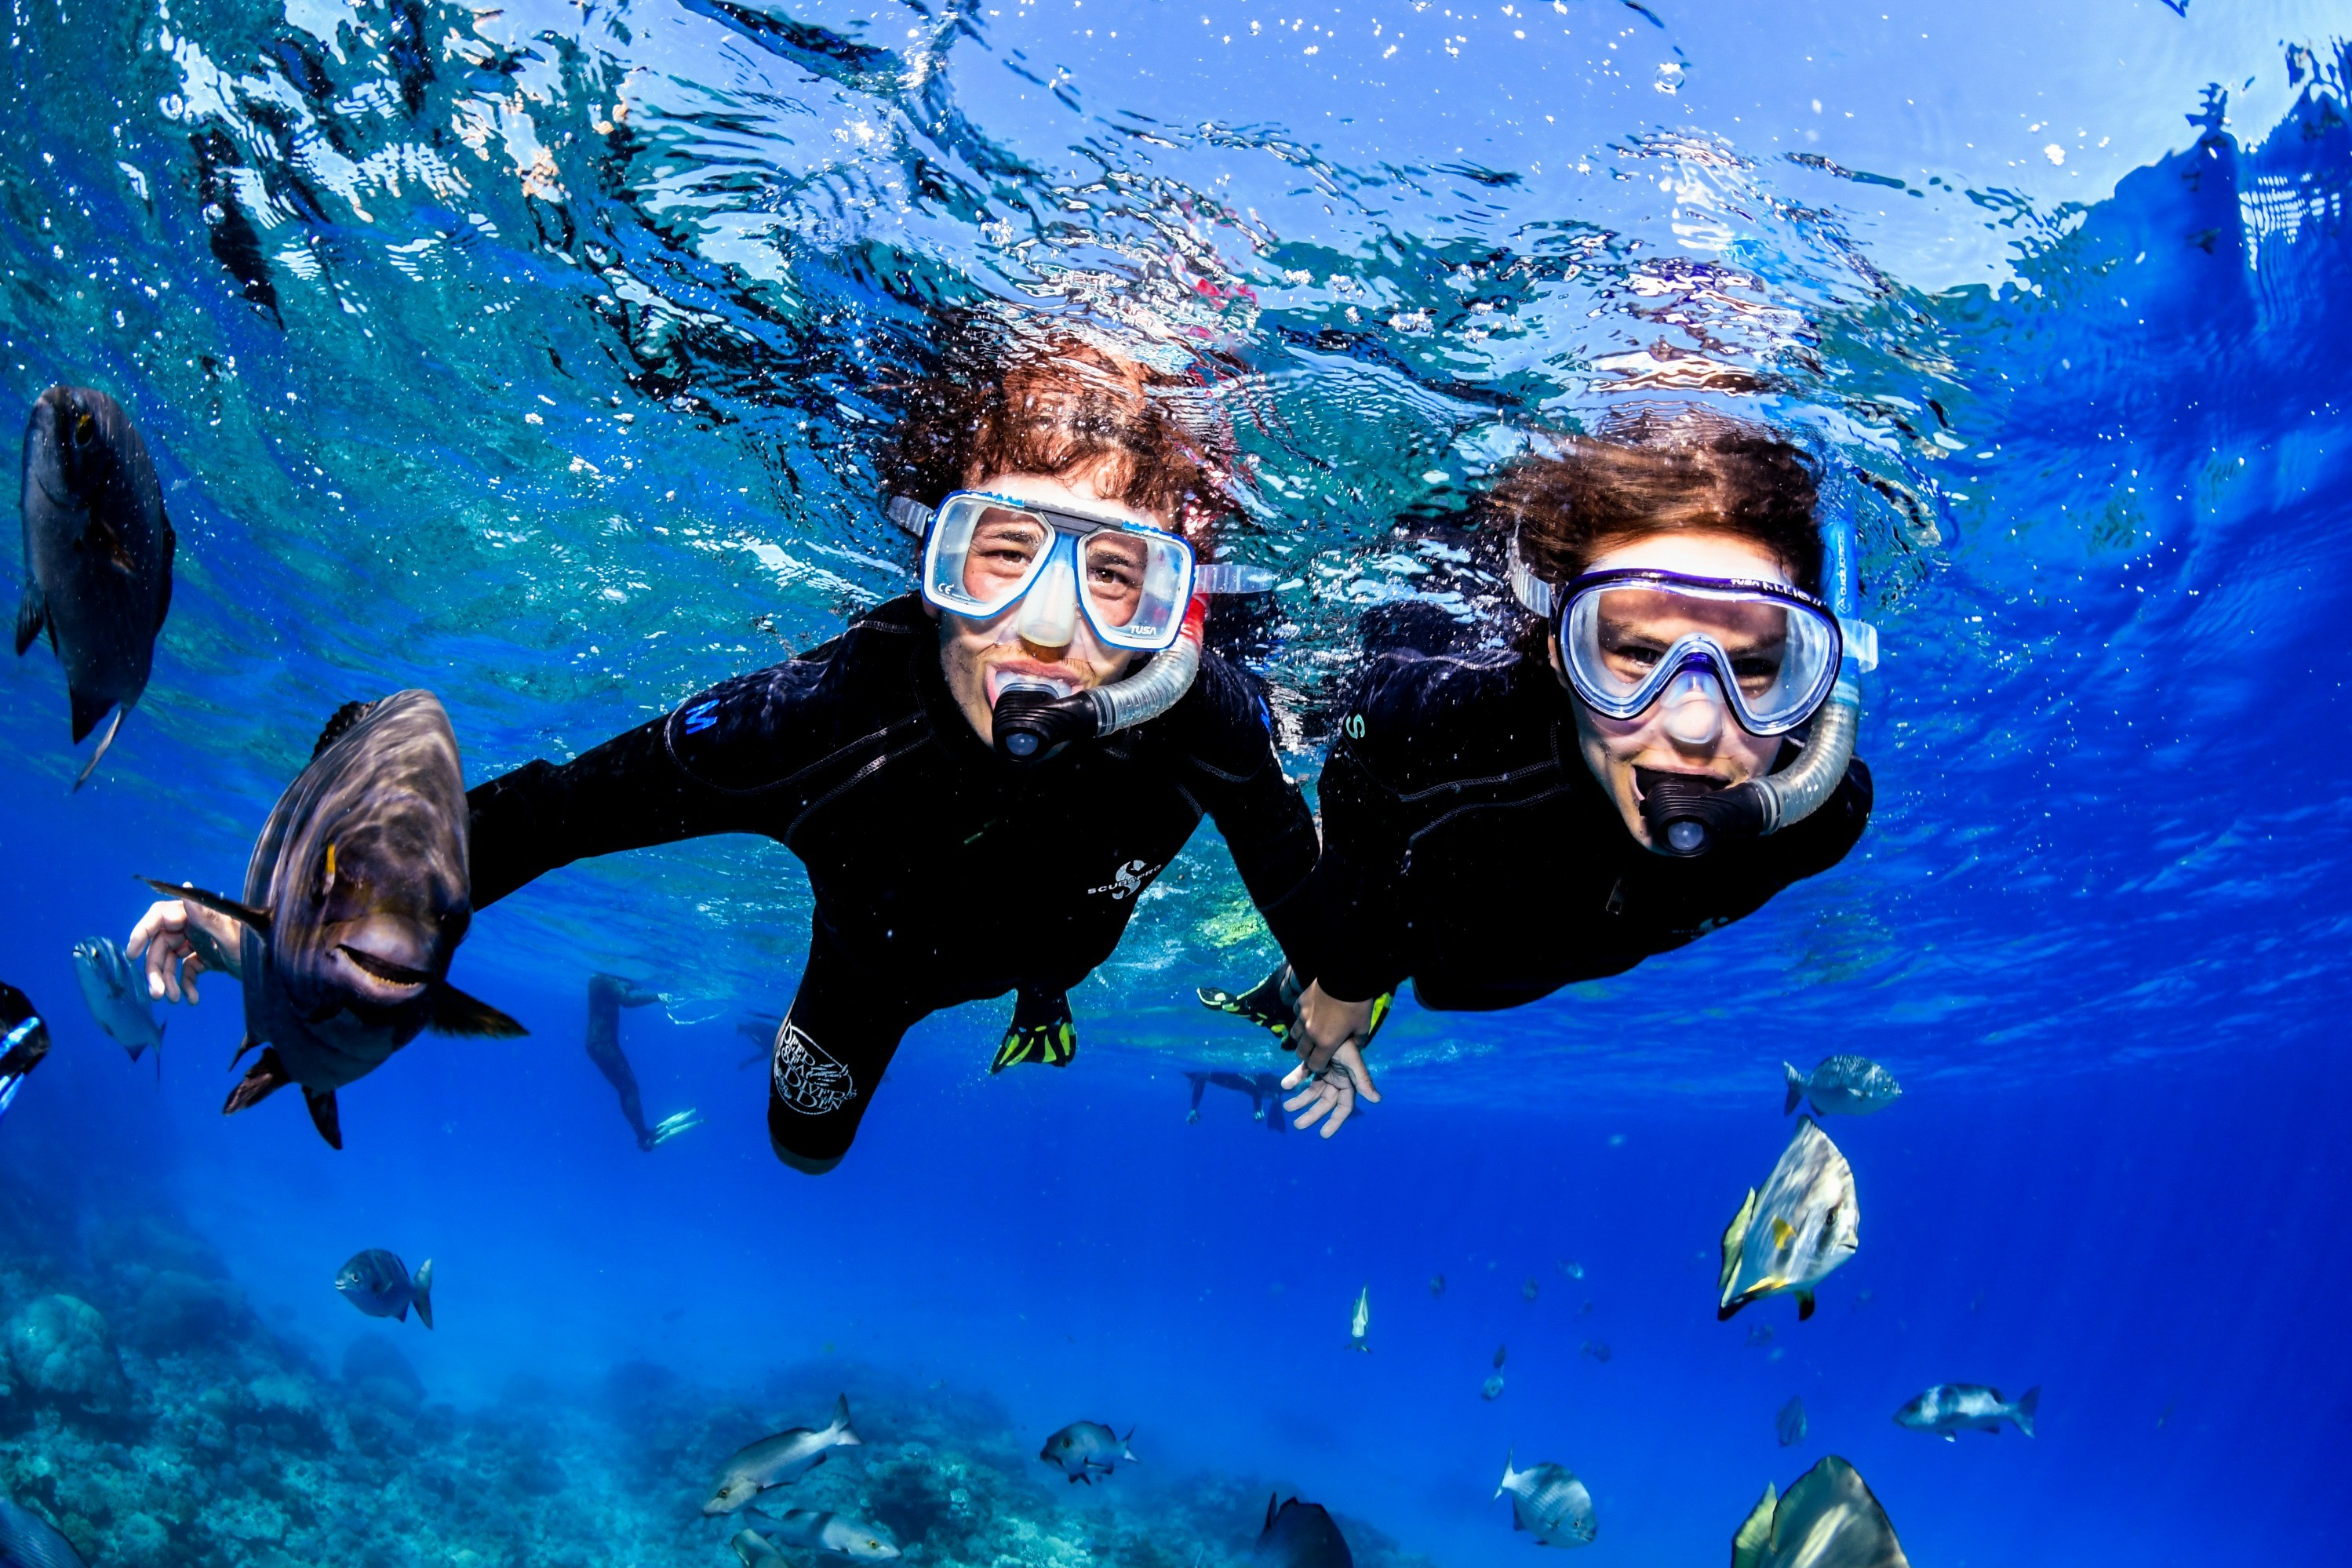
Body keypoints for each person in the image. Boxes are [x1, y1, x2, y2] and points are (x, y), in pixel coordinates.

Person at [131, 326, 1321, 1174]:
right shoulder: (820, 717)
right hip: (877, 968)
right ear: (932, 550)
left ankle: (1042, 992)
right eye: (1001, 551)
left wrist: (1341, 990)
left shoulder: (1202, 708)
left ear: (1178, 590)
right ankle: (1030, 991)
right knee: (802, 1150)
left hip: (1062, 945)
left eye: (1117, 575)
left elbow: (1308, 875)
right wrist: (255, 936)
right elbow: (542, 817)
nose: (1053, 628)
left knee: (1050, 964)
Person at [1205, 418, 1874, 1137]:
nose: (1694, 727)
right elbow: (1358, 787)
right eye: (1637, 655)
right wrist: (1345, 979)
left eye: (1752, 668)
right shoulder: (1443, 728)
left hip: (1496, 959)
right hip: (1417, 920)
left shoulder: (1820, 817)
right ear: (1561, 650)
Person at [584, 974, 699, 1151]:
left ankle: (642, 1134)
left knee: (625, 1087)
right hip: (604, 1045)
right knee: (629, 1087)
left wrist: (630, 986)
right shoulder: (608, 981)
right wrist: (657, 997)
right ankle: (643, 1135)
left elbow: (613, 994)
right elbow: (626, 1001)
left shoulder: (597, 980)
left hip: (596, 1044)